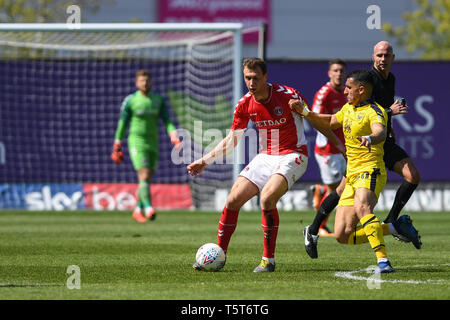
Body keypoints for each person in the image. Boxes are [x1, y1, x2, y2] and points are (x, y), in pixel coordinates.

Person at [188, 58, 344, 273]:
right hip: (266, 157)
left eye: (255, 78)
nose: (251, 83)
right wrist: (205, 160)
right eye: (247, 78)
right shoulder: (244, 103)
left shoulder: (288, 95)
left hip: (293, 154)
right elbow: (232, 139)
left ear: (265, 77)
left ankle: (268, 260)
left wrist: (337, 142)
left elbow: (315, 120)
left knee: (267, 198)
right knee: (233, 200)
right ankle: (219, 255)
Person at [290, 69, 419, 273]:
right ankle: (395, 227)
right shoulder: (348, 108)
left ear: (361, 90)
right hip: (351, 174)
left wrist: (370, 138)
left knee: (363, 208)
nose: (345, 91)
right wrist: (305, 112)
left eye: (349, 88)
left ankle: (383, 262)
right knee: (343, 235)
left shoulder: (374, 111)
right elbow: (330, 122)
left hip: (370, 170)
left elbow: (380, 131)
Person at [111, 69, 181, 223]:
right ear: (137, 83)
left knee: (147, 177)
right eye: (142, 80)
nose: (145, 83)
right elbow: (123, 122)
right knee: (143, 173)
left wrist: (173, 135)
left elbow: (167, 120)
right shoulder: (131, 100)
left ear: (151, 82)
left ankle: (137, 209)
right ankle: (149, 208)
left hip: (153, 142)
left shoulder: (158, 100)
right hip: (137, 141)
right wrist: (118, 141)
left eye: (147, 80)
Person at [310, 59, 348, 236]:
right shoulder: (323, 93)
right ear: (329, 73)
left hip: (345, 147)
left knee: (341, 187)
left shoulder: (348, 92)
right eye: (335, 70)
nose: (339, 73)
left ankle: (322, 190)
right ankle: (321, 227)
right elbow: (314, 118)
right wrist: (336, 141)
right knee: (336, 190)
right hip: (328, 149)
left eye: (341, 70)